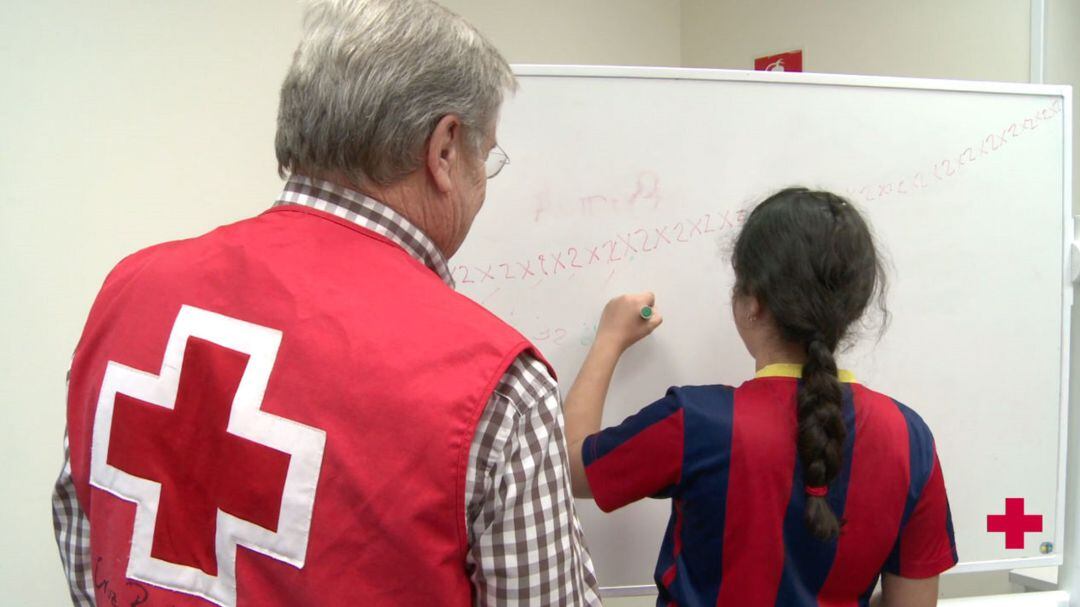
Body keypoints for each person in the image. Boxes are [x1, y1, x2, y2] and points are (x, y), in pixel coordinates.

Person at [51, 1, 601, 605]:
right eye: (485, 157)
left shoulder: (131, 290)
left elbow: (85, 531)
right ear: (444, 150)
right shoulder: (498, 388)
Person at [564, 188, 957, 606]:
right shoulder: (910, 439)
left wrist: (608, 339)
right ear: (854, 307)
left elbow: (569, 467)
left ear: (752, 303)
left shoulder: (696, 422)